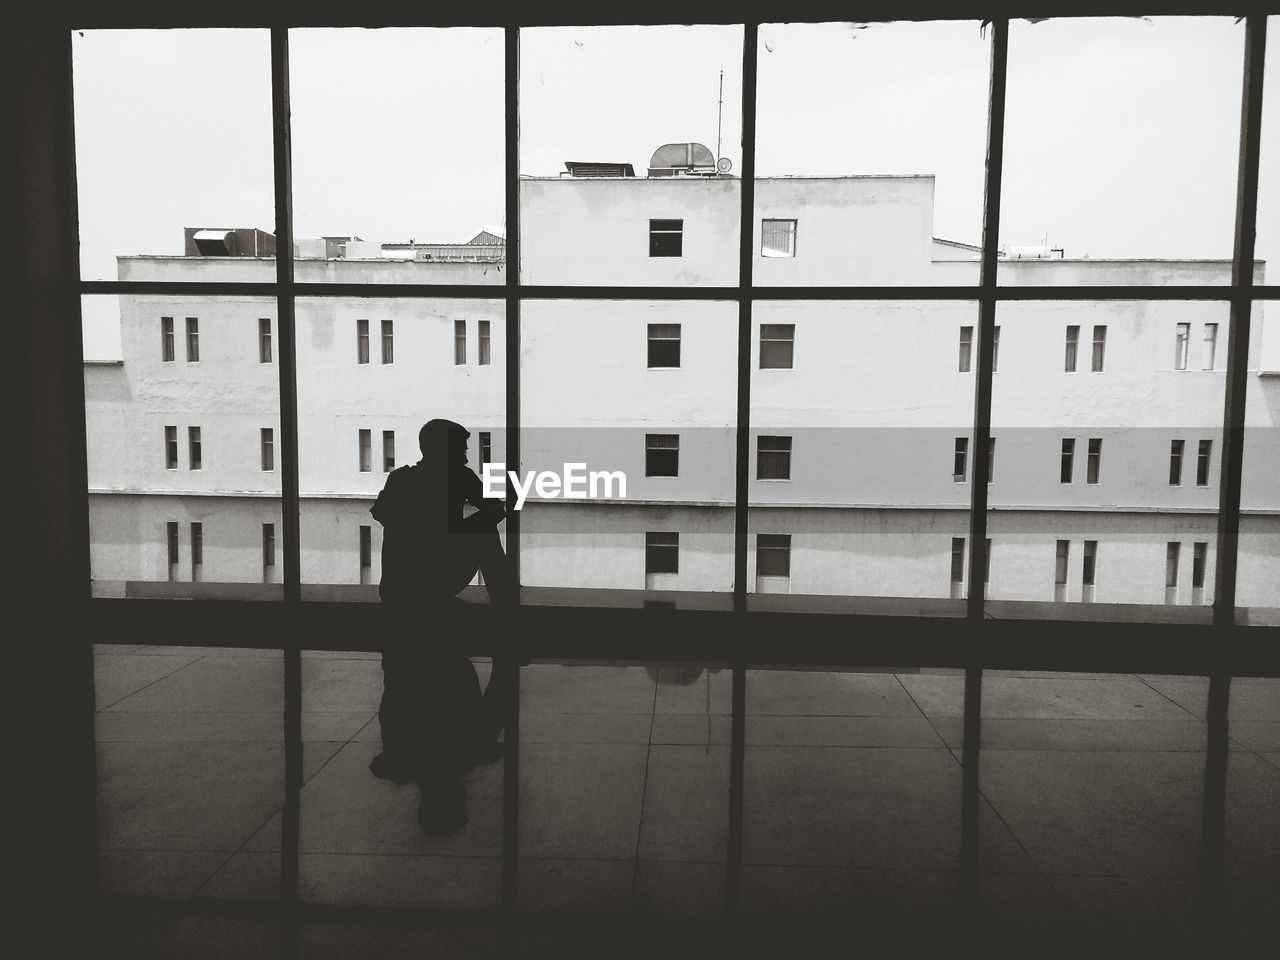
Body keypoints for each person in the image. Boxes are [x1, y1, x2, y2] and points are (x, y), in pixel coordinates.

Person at [368, 418, 517, 835]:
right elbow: (502, 505)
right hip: (431, 586)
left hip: (402, 591)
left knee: (482, 529)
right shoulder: (458, 479)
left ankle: (506, 608)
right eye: (462, 449)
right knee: (485, 534)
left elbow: (387, 516)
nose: (467, 456)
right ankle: (508, 609)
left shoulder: (404, 480)